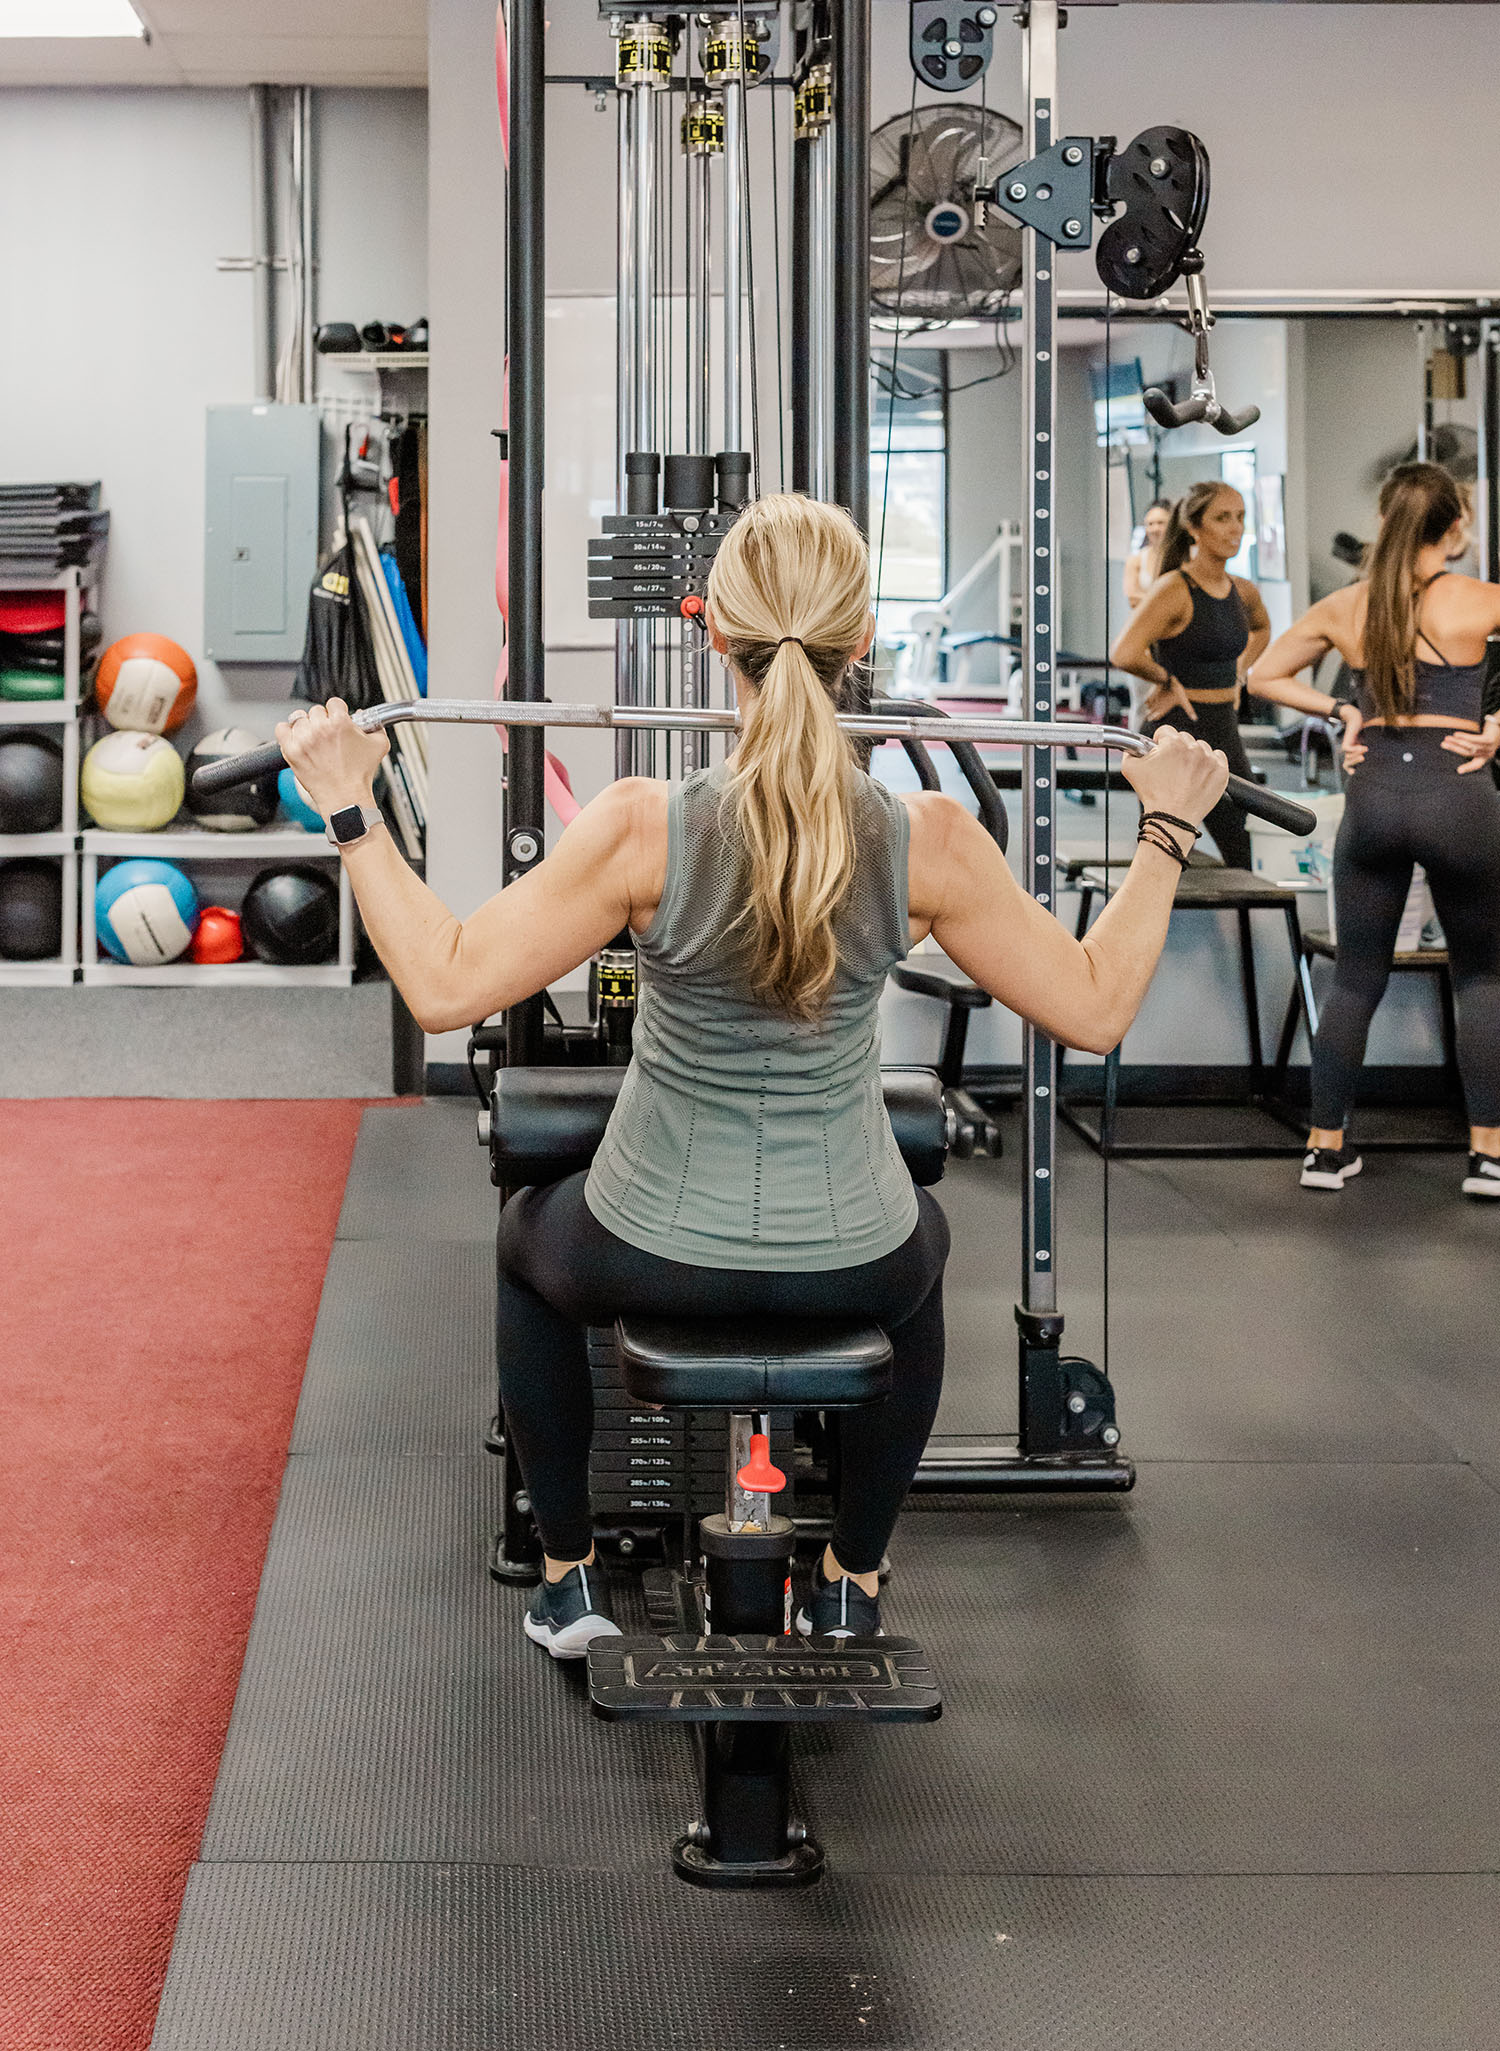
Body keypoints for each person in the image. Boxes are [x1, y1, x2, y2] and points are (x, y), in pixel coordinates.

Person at [275, 494, 1227, 1656]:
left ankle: (566, 1576)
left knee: (527, 1241)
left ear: (710, 636)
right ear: (862, 641)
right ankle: (850, 1575)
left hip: (647, 1237)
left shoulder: (640, 828)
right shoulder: (928, 838)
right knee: (921, 1257)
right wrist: (1167, 829)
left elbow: (443, 980)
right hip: (853, 1254)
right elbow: (1094, 1004)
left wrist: (349, 805)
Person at [1246, 462, 1500, 1199]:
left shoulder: (1347, 606)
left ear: (1387, 520)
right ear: (1454, 527)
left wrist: (1343, 712)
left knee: (1356, 978)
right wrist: (1494, 728)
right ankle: (1487, 1155)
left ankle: (1325, 1150)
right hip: (1458, 792)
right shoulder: (1481, 600)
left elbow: (1261, 677)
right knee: (1482, 976)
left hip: (1376, 791)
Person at [1110, 481, 1272, 871]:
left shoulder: (1243, 591)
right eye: (1222, 518)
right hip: (1175, 729)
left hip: (1224, 730)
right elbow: (1124, 652)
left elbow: (1262, 628)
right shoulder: (1174, 588)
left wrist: (1239, 672)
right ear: (1194, 529)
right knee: (1165, 856)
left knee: (1243, 849)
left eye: (1240, 517)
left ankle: (1245, 927)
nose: (1235, 528)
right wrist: (1166, 680)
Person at [1123, 498, 1172, 610]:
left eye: (1161, 523)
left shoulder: (1183, 557)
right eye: (1150, 524)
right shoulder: (1135, 560)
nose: (1155, 529)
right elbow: (1133, 600)